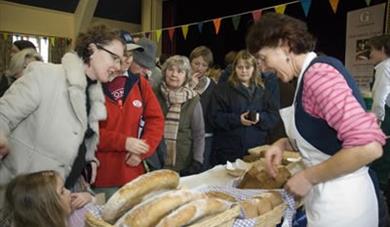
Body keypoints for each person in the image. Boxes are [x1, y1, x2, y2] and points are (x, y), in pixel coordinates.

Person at [246, 13, 386, 227]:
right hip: (328, 201)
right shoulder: (306, 77)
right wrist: (283, 143)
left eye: (263, 59)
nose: (263, 68)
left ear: (285, 45)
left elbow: (369, 148)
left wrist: (308, 177)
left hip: (344, 207)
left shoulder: (318, 75)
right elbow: (322, 135)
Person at [0, 24, 125, 206]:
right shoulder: (45, 75)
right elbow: (3, 113)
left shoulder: (95, 95)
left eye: (121, 61)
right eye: (114, 58)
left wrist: (89, 162)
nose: (118, 67)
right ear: (92, 49)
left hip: (60, 199)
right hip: (24, 200)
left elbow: (79, 140)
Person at [94, 31, 164, 199]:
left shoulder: (140, 83)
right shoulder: (93, 84)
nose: (127, 59)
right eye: (123, 54)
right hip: (102, 176)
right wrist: (124, 142)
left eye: (130, 54)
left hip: (133, 173)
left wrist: (142, 151)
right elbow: (88, 132)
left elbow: (156, 120)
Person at [208, 50, 279, 164]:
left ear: (254, 68)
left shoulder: (263, 90)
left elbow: (273, 116)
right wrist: (237, 119)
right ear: (234, 68)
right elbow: (214, 117)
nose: (244, 71)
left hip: (255, 149)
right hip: (228, 150)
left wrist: (259, 117)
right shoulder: (222, 89)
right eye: (240, 67)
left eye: (247, 67)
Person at [154, 55, 205, 176]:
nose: (174, 74)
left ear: (186, 76)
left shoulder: (193, 99)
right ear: (164, 71)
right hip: (156, 160)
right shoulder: (153, 94)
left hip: (183, 163)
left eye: (180, 71)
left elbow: (199, 133)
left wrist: (198, 161)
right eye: (170, 69)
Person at [4, 170, 96, 227]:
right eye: (62, 192)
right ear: (47, 208)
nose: (69, 192)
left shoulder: (77, 212)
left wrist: (89, 198)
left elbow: (100, 212)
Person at [368, 34, 390, 199]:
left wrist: (375, 125)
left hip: (387, 117)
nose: (370, 55)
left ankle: (379, 194)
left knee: (381, 157)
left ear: (382, 49)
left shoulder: (384, 66)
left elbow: (380, 99)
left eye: (372, 50)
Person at [189, 46, 217, 170]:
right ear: (190, 63)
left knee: (202, 171)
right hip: (185, 136)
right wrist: (190, 87)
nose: (199, 68)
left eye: (204, 65)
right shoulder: (181, 81)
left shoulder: (213, 85)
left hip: (206, 136)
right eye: (196, 63)